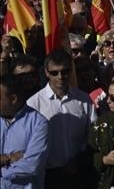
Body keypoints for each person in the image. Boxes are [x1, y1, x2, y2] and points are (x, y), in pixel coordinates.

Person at [27, 49, 97, 188]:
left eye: (65, 71)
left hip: (79, 171)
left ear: (71, 70)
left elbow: (92, 133)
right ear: (46, 72)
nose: (60, 76)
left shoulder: (83, 99)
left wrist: (79, 159)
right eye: (54, 72)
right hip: (48, 175)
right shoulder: (34, 104)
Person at [0, 73, 49, 189]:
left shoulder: (38, 123)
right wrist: (8, 158)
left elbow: (32, 165)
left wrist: (2, 172)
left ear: (13, 99)